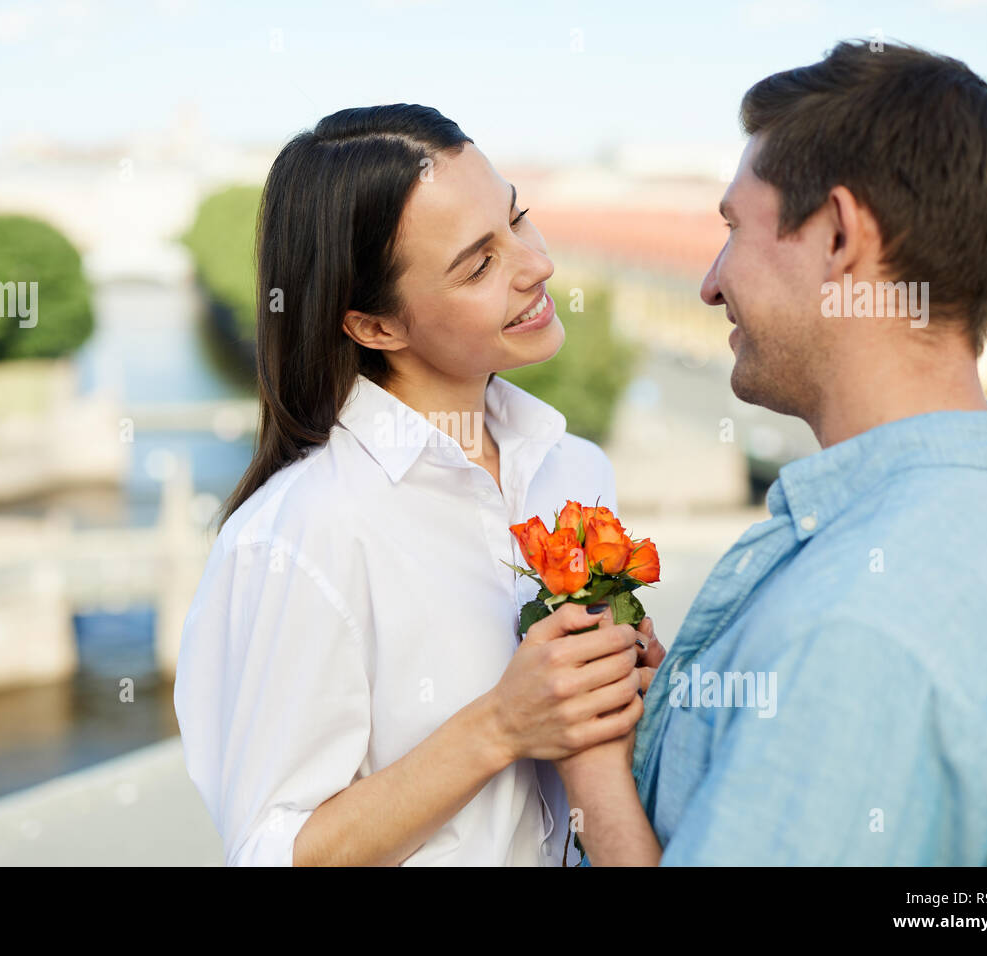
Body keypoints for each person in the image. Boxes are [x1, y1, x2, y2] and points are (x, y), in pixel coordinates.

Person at [560, 39, 987, 866]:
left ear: (838, 235)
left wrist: (592, 775)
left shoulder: (848, 634)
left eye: (733, 227)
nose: (710, 281)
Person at [173, 104, 659, 866]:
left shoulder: (574, 469)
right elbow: (272, 853)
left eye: (517, 219)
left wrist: (629, 692)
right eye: (479, 265)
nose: (537, 266)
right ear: (374, 326)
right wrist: (499, 726)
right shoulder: (302, 532)